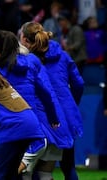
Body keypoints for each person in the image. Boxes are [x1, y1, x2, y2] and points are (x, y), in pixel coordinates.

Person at [20, 21, 84, 180]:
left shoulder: (27, 61)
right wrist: (71, 103)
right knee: (68, 167)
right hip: (65, 118)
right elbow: (79, 83)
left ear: (26, 40)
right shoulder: (63, 55)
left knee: (30, 169)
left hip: (41, 118)